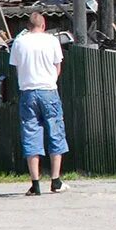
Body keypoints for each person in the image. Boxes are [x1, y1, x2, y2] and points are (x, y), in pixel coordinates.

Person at [9, 12, 69, 195]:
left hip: (28, 92)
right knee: (55, 132)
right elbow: (57, 67)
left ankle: (35, 183)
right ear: (43, 26)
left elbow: (17, 68)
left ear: (28, 26)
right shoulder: (51, 41)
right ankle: (56, 180)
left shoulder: (19, 42)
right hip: (49, 91)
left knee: (31, 133)